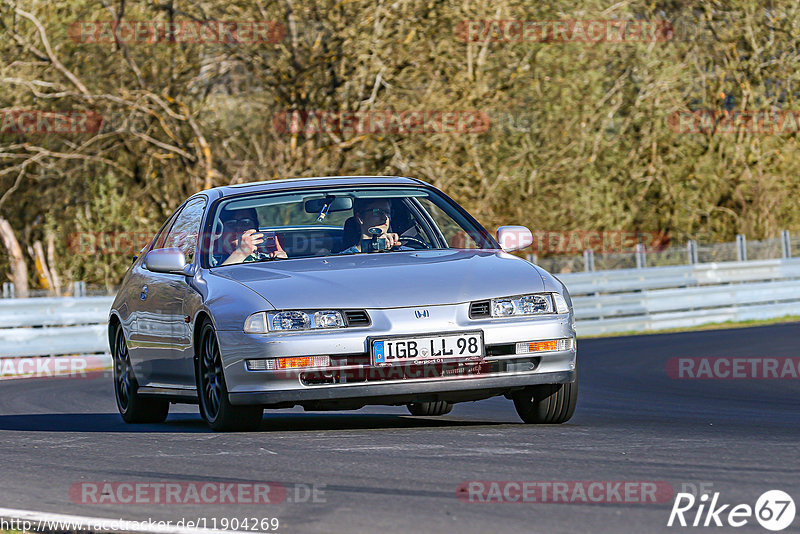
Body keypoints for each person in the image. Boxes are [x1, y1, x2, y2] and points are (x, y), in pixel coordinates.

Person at [211, 207, 287, 266]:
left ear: (255, 229)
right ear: (220, 230)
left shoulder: (265, 257)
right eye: (232, 223)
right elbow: (213, 282)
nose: (239, 227)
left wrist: (282, 263)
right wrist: (241, 253)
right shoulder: (208, 260)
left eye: (246, 222)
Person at [339, 198, 405, 254]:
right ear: (360, 218)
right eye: (377, 212)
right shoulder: (344, 258)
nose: (385, 218)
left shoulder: (403, 252)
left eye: (387, 212)